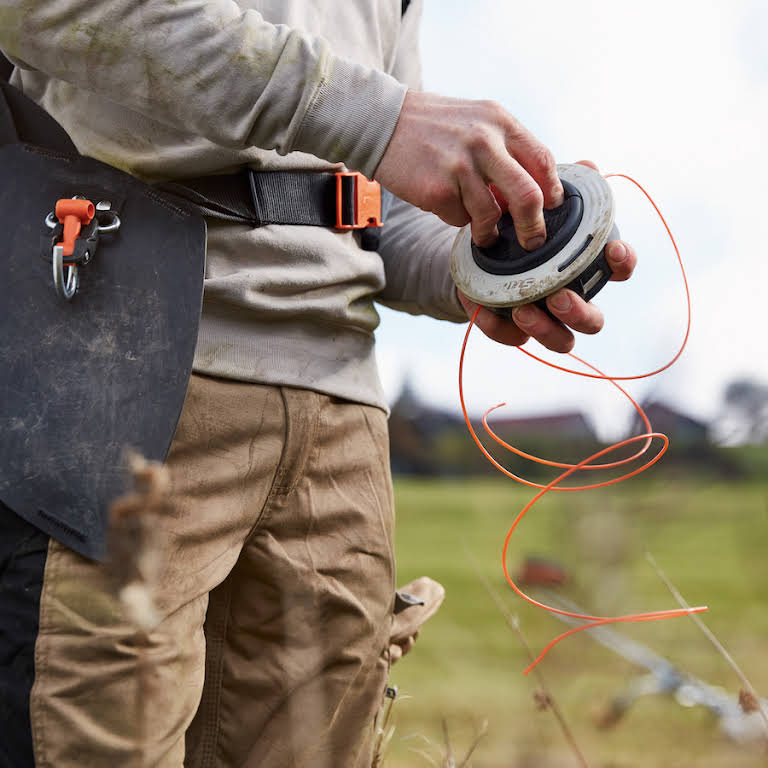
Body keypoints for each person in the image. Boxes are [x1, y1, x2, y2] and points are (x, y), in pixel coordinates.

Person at [0, 1, 637, 766]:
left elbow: (379, 214)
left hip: (341, 418)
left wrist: (488, 264)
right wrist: (383, 121)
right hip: (111, 376)